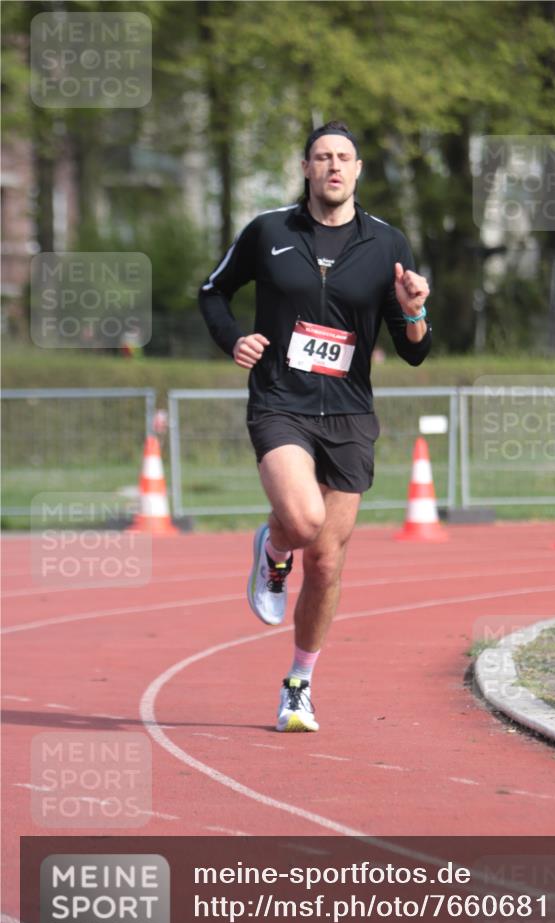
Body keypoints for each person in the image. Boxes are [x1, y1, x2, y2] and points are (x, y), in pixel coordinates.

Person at [199, 120, 432, 732]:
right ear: (306, 168)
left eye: (344, 158)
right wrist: (234, 339)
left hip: (350, 414)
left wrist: (415, 312)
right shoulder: (269, 231)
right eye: (322, 157)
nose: (333, 166)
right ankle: (274, 550)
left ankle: (298, 684)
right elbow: (211, 291)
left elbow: (414, 350)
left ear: (357, 171)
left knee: (327, 560)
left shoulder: (387, 244)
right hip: (280, 400)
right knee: (302, 523)